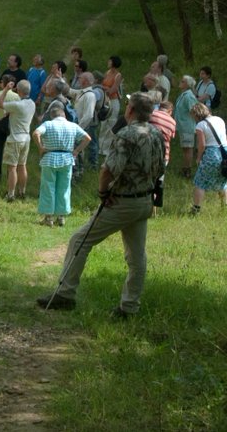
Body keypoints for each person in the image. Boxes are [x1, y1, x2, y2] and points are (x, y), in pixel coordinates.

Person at [37, 92, 165, 317]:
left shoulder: (127, 134)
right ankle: (129, 307)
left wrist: (103, 192)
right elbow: (160, 168)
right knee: (137, 257)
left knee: (80, 240)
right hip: (145, 199)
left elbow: (109, 169)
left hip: (122, 201)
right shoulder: (156, 133)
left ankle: (66, 294)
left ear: (130, 110)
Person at [33, 102, 91, 226]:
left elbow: (36, 133)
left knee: (48, 187)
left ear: (52, 116)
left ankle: (48, 218)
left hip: (50, 158)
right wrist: (76, 151)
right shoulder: (73, 125)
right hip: (67, 158)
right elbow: (87, 138)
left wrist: (41, 147)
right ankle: (61, 217)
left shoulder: (48, 124)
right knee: (64, 188)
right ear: (64, 115)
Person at [0, 80, 37, 202]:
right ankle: (22, 192)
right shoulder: (31, 103)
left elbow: (0, 103)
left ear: (18, 90)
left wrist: (6, 89)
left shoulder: (17, 105)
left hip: (15, 139)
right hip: (26, 138)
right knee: (22, 165)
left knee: (12, 168)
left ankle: (10, 195)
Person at [189, 102, 227, 213]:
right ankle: (224, 208)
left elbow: (201, 145)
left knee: (200, 182)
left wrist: (198, 158)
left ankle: (196, 209)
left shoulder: (201, 125)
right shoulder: (219, 119)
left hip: (212, 153)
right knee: (222, 181)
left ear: (197, 115)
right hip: (226, 151)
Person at [147, 91, 176, 215]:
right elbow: (171, 137)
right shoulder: (172, 122)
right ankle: (154, 210)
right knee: (158, 182)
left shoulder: (151, 114)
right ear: (170, 111)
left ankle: (144, 208)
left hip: (148, 151)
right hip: (164, 155)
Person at [99, 56, 124, 159]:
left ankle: (107, 148)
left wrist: (105, 88)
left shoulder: (118, 75)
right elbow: (102, 85)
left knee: (111, 123)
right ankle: (100, 147)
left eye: (110, 61)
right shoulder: (107, 72)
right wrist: (105, 88)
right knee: (103, 124)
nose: (108, 62)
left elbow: (113, 90)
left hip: (113, 101)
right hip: (106, 100)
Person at [174, 75, 200, 177]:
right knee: (185, 148)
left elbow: (194, 111)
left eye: (183, 81)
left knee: (188, 148)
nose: (181, 82)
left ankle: (187, 170)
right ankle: (185, 168)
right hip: (183, 126)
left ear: (188, 84)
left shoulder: (189, 96)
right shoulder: (184, 95)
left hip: (187, 126)